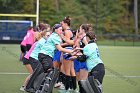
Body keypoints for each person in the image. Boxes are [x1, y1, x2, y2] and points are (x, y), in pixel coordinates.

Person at [38, 23, 73, 92]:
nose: (61, 31)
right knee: (50, 72)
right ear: (56, 30)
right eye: (60, 30)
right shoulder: (55, 37)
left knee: (48, 73)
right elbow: (60, 48)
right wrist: (71, 51)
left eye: (62, 30)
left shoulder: (54, 36)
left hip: (45, 55)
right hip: (45, 55)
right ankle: (43, 89)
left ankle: (41, 89)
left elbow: (59, 45)